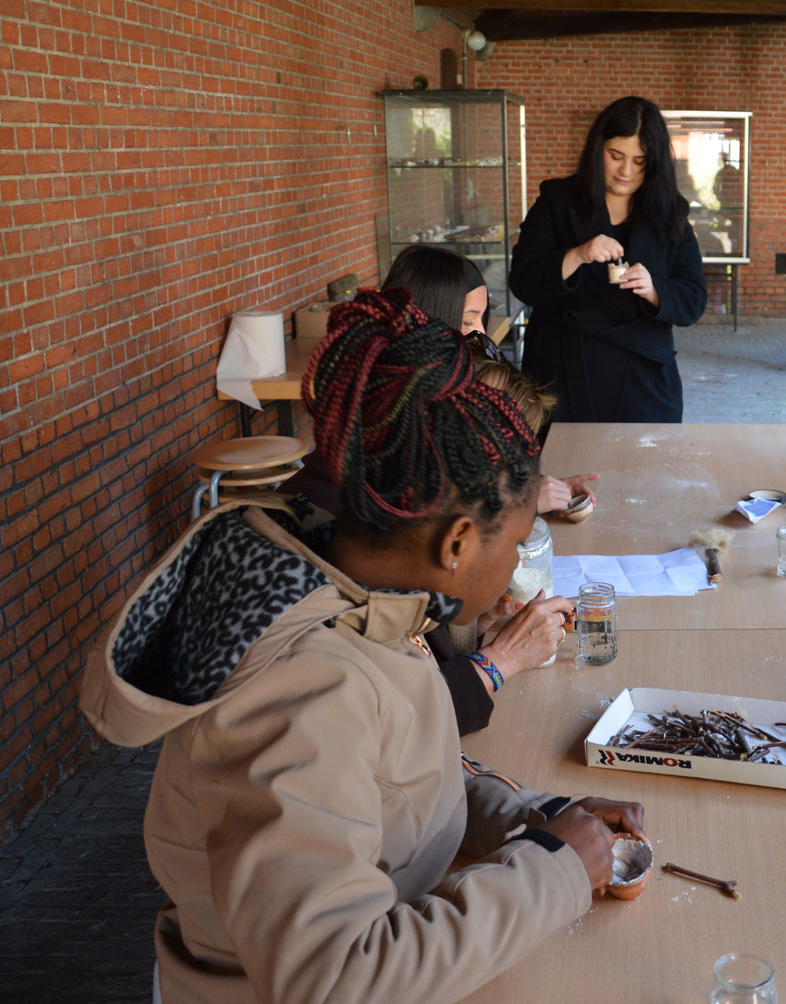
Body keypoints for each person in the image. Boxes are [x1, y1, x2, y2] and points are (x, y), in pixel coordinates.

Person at [80, 290, 646, 1002]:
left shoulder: (359, 599)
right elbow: (334, 977)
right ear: (457, 543)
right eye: (516, 540)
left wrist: (541, 821)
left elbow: (402, 779)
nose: (516, 565)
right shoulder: (305, 691)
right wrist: (554, 871)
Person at [279, 346, 568, 737]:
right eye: (512, 542)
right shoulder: (343, 549)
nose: (515, 562)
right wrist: (501, 660)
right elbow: (392, 723)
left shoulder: (380, 499)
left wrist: (477, 622)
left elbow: (414, 650)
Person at [510, 95, 708, 423]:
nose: (625, 171)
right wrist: (576, 255)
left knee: (644, 455)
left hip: (643, 376)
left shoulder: (670, 212)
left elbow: (694, 298)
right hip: (563, 371)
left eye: (639, 161)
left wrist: (654, 290)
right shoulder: (557, 202)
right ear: (597, 148)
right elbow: (522, 281)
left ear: (655, 162)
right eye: (615, 156)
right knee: (565, 455)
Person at [381, 245, 598, 514]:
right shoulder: (389, 413)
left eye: (482, 320)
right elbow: (418, 516)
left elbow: (470, 478)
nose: (481, 335)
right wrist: (521, 502)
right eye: (467, 322)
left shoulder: (442, 392)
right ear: (424, 320)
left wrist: (535, 487)